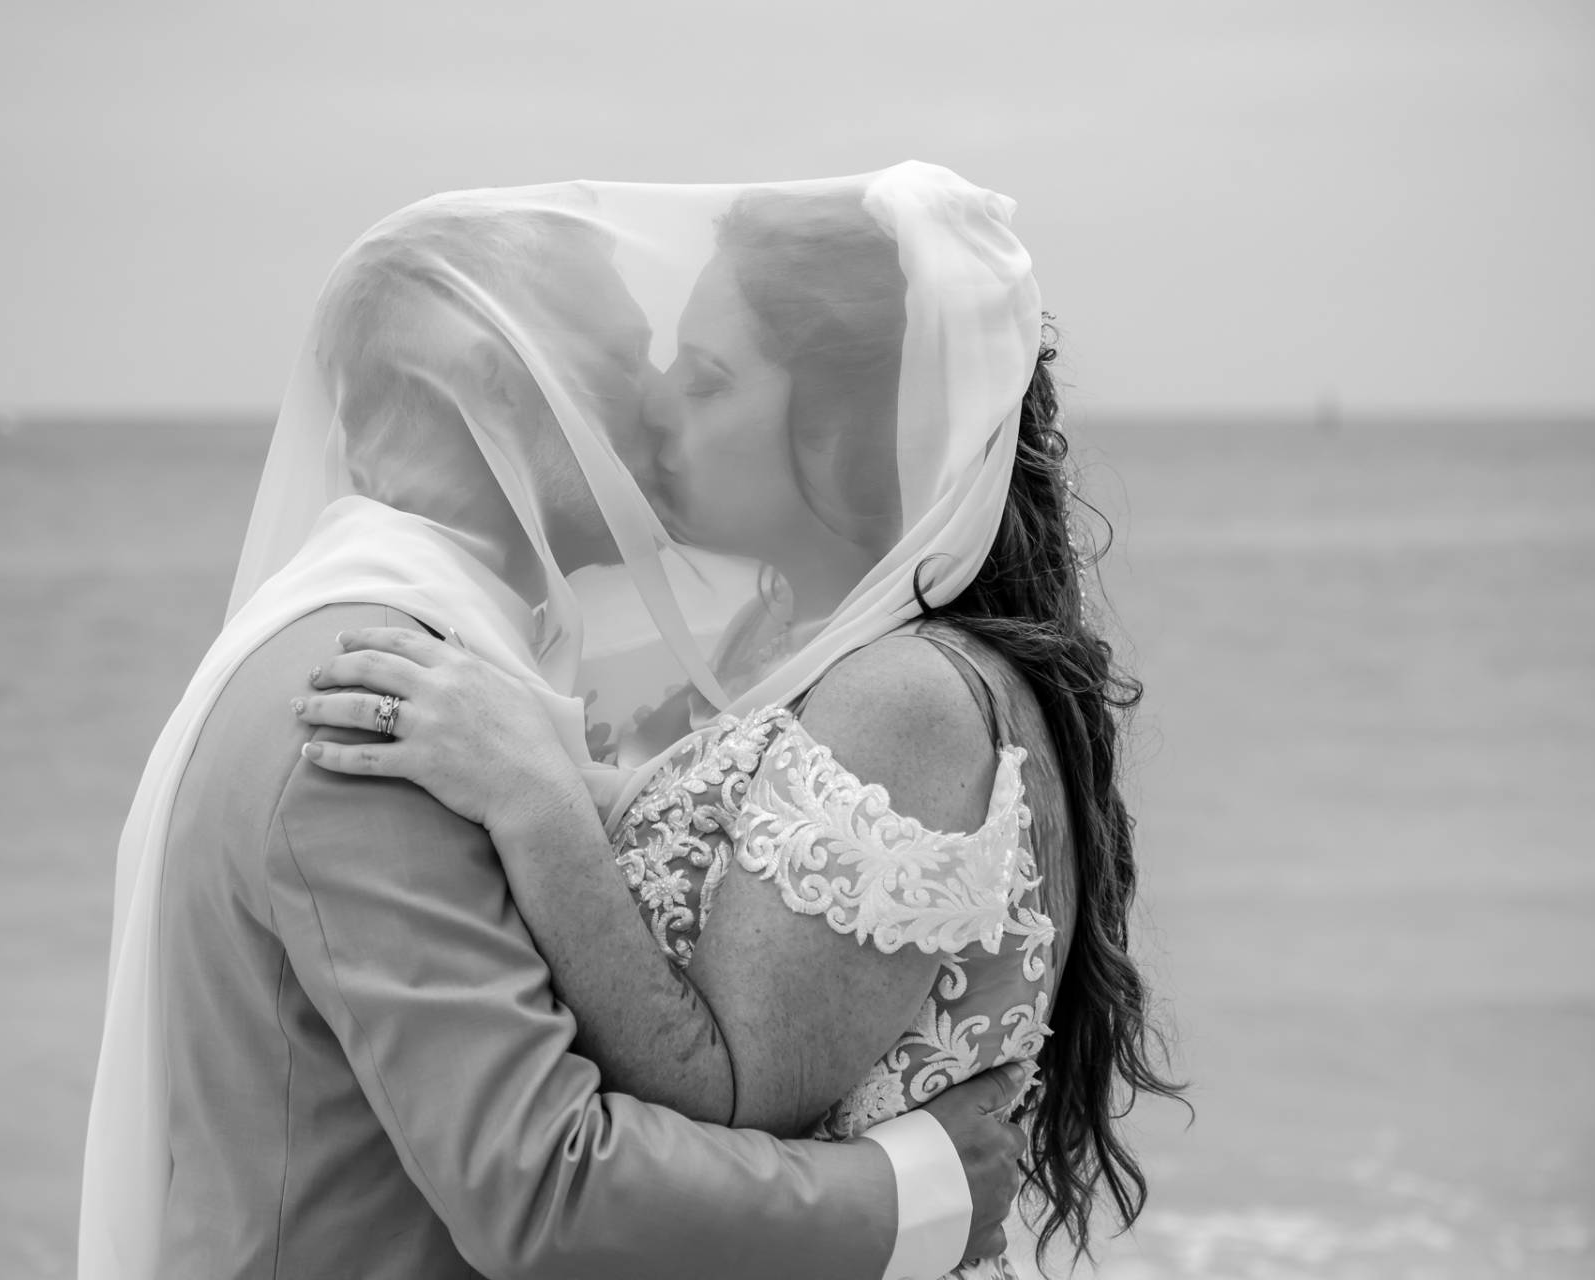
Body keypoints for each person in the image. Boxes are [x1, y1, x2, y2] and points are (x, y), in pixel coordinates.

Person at [79, 185, 1034, 1280]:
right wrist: (917, 1192)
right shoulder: (373, 704)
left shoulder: (421, 673)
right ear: (504, 383)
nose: (656, 407)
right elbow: (542, 1187)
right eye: (632, 359)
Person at [294, 166, 1184, 1277]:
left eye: (707, 378)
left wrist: (534, 798)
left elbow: (736, 1092)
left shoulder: (907, 696)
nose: (654, 403)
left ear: (852, 428)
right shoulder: (786, 651)